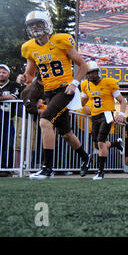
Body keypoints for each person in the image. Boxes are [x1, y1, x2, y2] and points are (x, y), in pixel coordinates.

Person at [21, 10, 90, 180]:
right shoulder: (29, 47)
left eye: (39, 24)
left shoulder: (61, 40)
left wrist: (74, 83)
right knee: (66, 134)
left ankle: (47, 168)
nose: (35, 27)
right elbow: (30, 74)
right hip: (49, 92)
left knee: (45, 120)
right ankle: (85, 157)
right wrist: (24, 78)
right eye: (32, 25)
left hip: (66, 90)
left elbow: (83, 65)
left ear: (48, 24)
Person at [80, 61, 126, 180]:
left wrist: (121, 113)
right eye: (89, 73)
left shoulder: (109, 83)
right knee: (98, 144)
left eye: (93, 73)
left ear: (98, 72)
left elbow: (122, 100)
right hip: (94, 116)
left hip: (107, 114)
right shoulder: (86, 85)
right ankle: (115, 143)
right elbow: (82, 102)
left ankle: (100, 172)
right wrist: (83, 106)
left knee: (100, 142)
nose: (91, 76)